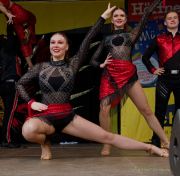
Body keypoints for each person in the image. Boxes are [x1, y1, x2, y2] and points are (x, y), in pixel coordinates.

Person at [16, 4, 167, 160]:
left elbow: (88, 38)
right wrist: (31, 103)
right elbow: (20, 84)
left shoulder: (73, 64)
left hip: (68, 117)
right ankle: (45, 143)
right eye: (53, 42)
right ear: (49, 46)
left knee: (108, 137)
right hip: (46, 117)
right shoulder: (41, 67)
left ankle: (150, 147)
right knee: (28, 130)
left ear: (67, 47)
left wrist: (103, 17)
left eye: (60, 42)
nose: (56, 45)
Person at [90, 0, 169, 156]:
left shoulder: (131, 35)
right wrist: (101, 64)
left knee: (146, 110)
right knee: (104, 109)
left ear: (126, 20)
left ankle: (165, 141)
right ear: (112, 20)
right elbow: (93, 60)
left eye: (122, 16)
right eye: (116, 16)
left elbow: (146, 13)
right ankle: (106, 144)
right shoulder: (106, 39)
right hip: (110, 76)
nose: (119, 17)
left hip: (129, 75)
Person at [142, 11, 180, 147]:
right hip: (164, 79)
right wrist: (153, 70)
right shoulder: (159, 39)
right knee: (160, 110)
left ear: (178, 21)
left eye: (175, 18)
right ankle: (157, 141)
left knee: (179, 112)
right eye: (169, 18)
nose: (172, 20)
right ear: (165, 22)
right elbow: (145, 58)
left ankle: (176, 141)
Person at [0, 24, 21, 148]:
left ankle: (5, 139)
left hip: (3, 83)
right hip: (10, 83)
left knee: (8, 113)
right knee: (9, 113)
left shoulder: (3, 50)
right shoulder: (9, 48)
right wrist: (10, 23)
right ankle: (6, 140)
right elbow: (11, 36)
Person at [0, 0, 36, 68]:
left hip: (15, 15)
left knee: (23, 40)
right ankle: (30, 64)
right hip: (16, 15)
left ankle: (30, 64)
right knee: (24, 40)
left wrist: (7, 13)